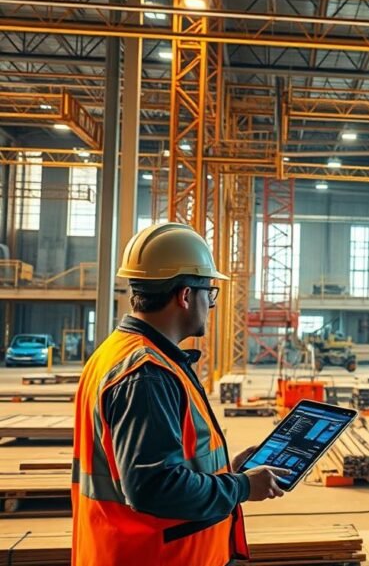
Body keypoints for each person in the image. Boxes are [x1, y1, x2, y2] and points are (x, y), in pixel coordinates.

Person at [72, 223, 289, 566]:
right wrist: (242, 488)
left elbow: (150, 463)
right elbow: (153, 487)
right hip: (153, 557)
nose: (211, 304)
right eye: (209, 293)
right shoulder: (147, 374)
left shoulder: (121, 353)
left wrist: (227, 472)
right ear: (185, 296)